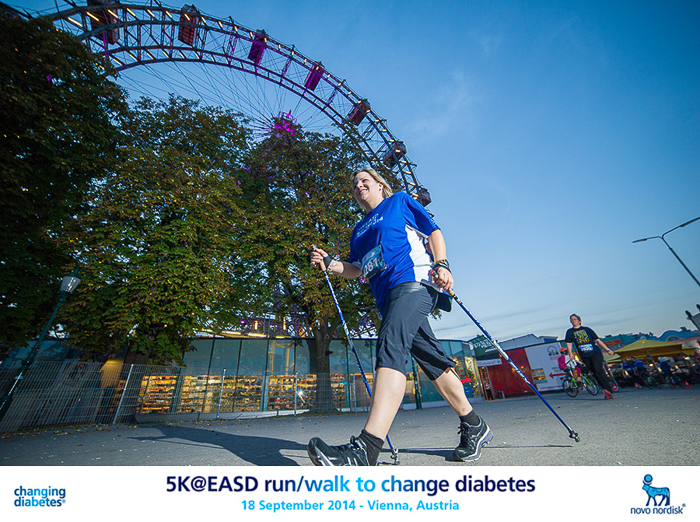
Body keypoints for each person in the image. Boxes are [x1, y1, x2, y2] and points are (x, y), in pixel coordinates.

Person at [307, 167, 492, 466]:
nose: (358, 185)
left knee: (391, 341)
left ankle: (366, 449)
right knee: (432, 360)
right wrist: (331, 263)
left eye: (364, 180)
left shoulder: (399, 202)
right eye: (354, 184)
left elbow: (433, 231)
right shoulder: (359, 231)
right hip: (388, 299)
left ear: (380, 185)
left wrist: (442, 263)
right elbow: (357, 268)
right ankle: (474, 424)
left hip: (415, 282)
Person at [564, 314, 616, 399]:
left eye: (575, 319)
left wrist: (608, 350)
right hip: (584, 355)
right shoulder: (570, 332)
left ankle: (608, 389)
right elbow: (569, 343)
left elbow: (598, 340)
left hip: (595, 353)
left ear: (579, 321)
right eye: (571, 319)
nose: (573, 320)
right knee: (593, 371)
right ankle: (605, 389)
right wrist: (570, 353)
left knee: (598, 369)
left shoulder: (587, 329)